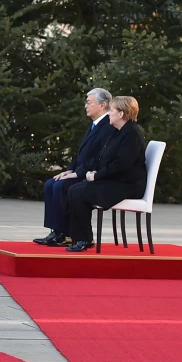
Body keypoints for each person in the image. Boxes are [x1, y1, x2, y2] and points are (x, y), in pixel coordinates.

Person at [63, 96, 146, 252]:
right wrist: (92, 172)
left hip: (128, 185)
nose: (108, 114)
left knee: (79, 192)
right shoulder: (118, 131)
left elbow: (122, 165)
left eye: (112, 111)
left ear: (121, 114)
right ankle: (82, 238)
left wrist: (96, 176)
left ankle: (83, 239)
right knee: (75, 189)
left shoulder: (132, 133)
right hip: (116, 180)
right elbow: (104, 158)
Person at [34, 88, 114, 247]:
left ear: (102, 105)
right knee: (51, 183)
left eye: (89, 102)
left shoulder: (108, 126)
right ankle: (57, 231)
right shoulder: (95, 124)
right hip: (82, 170)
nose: (85, 105)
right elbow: (82, 155)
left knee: (62, 186)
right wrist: (70, 169)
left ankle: (67, 234)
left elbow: (98, 158)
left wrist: (77, 174)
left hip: (94, 175)